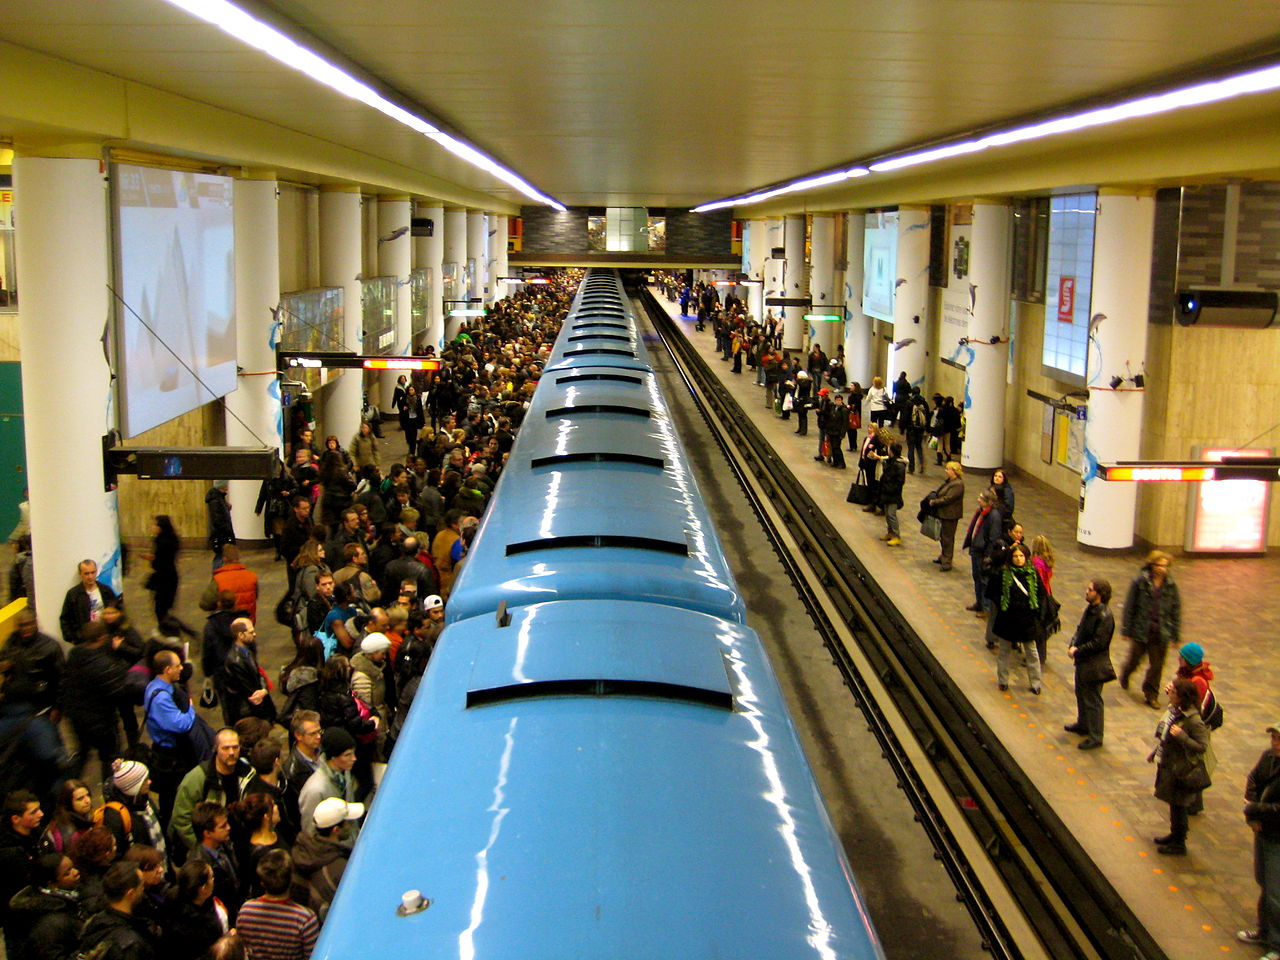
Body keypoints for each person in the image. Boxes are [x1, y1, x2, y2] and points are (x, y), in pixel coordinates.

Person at [1147, 677, 1211, 855]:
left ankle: (1179, 842)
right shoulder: (1176, 712)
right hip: (1171, 765)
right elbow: (1166, 736)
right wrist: (1155, 752)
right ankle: (1174, 834)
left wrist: (1183, 736)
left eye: (1173, 692)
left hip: (1182, 770)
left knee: (1179, 806)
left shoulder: (1193, 720)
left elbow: (1202, 747)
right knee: (1174, 804)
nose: (1170, 694)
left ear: (1182, 696)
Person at [61, 620, 129, 777]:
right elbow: (119, 691)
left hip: (77, 717)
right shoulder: (105, 665)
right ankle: (110, 793)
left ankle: (70, 786)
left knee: (82, 753)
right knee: (111, 758)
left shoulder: (75, 654)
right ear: (103, 637)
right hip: (101, 720)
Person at [171, 728, 254, 856]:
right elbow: (181, 819)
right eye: (225, 748)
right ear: (216, 748)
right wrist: (204, 848)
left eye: (235, 747)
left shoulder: (248, 773)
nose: (231, 752)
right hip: (212, 847)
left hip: (241, 843)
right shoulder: (197, 779)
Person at [1119, 550, 1182, 709]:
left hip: (1161, 632)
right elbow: (1130, 606)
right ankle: (1126, 672)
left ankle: (1151, 694)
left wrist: (1175, 634)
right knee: (1135, 659)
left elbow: (1175, 609)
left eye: (1165, 566)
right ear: (1152, 564)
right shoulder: (1140, 582)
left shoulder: (1171, 586)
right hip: (1141, 629)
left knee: (1157, 666)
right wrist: (1126, 629)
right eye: (1159, 565)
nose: (1162, 568)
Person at [143, 649, 200, 826]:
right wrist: (190, 708)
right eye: (177, 666)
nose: (181, 668)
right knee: (172, 798)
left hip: (171, 752)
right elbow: (181, 724)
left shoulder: (159, 688)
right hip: (169, 757)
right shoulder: (160, 697)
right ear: (167, 669)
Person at [986, 543, 1049, 694]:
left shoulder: (1032, 574)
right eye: (1015, 556)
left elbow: (1041, 595)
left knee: (1032, 653)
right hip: (1007, 620)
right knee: (1004, 652)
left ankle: (1035, 683)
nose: (1019, 559)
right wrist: (1003, 605)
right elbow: (992, 592)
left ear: (1026, 557)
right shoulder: (1003, 574)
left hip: (1027, 621)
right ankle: (1003, 681)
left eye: (1021, 556)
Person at [1241, 723, 1280, 959]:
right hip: (1263, 830)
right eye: (1274, 738)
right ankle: (1264, 930)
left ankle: (1277, 944)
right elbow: (1253, 779)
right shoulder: (1268, 757)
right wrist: (1253, 816)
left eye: (1278, 739)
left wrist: (1254, 808)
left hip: (1278, 836)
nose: (1274, 743)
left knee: (1276, 891)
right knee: (1263, 882)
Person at [236, 850, 319, 960]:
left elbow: (242, 950)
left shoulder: (246, 911)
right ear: (291, 880)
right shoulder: (305, 919)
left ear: (262, 883)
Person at [1064, 578, 1115, 750]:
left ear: (1099, 594)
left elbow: (1099, 643)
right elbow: (1080, 629)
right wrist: (1073, 644)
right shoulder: (1091, 609)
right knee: (1081, 693)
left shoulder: (1104, 616)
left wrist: (1077, 650)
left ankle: (1095, 736)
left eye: (1090, 589)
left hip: (1094, 665)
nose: (1087, 591)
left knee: (1093, 700)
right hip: (1083, 662)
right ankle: (1083, 724)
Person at [290, 798, 359, 922]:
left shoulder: (303, 850)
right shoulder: (342, 869)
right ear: (336, 830)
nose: (351, 824)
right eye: (348, 822)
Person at [7, 851, 85, 960]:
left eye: (73, 867)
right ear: (51, 884)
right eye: (67, 873)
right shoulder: (49, 922)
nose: (76, 872)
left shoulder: (67, 900)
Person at [75, 862, 157, 960]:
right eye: (141, 885)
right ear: (131, 893)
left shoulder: (95, 921)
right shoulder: (130, 945)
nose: (143, 889)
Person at [0, 789, 45, 955]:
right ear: (16, 819)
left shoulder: (36, 834)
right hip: (19, 924)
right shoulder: (9, 853)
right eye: (33, 812)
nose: (41, 814)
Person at [297, 728, 361, 838]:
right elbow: (310, 833)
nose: (354, 758)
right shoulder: (315, 790)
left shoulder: (345, 771)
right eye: (347, 755)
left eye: (353, 753)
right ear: (333, 757)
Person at [161, 861, 225, 960]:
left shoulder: (204, 901)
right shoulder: (193, 928)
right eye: (211, 877)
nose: (214, 880)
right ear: (203, 888)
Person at [191, 802, 241, 917]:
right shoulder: (198, 866)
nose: (229, 827)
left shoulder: (225, 845)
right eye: (223, 826)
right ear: (207, 833)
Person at [962, 490, 1004, 615]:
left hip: (982, 553)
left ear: (987, 501)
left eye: (981, 498)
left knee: (984, 580)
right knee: (977, 578)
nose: (978, 499)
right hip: (976, 549)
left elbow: (993, 538)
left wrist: (988, 555)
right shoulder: (981, 512)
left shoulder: (994, 516)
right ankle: (979, 602)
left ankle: (985, 607)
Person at [58, 558, 119, 644]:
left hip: (106, 639)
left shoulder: (106, 590)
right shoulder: (73, 594)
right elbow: (65, 619)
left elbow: (117, 611)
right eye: (86, 573)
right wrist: (73, 638)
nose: (90, 576)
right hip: (85, 641)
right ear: (80, 574)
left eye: (92, 572)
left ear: (96, 572)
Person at [199, 544, 259, 625]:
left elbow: (205, 604)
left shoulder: (219, 579)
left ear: (224, 559)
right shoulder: (252, 576)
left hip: (225, 623)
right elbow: (255, 596)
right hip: (247, 624)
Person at [926, 462, 964, 571]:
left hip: (950, 515)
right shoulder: (950, 482)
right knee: (943, 537)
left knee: (948, 538)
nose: (945, 471)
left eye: (948, 469)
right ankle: (943, 556)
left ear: (954, 471)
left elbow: (948, 498)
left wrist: (934, 502)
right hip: (944, 513)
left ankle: (947, 561)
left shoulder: (958, 484)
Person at [142, 515, 181, 624]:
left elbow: (161, 561)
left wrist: (153, 559)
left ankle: (170, 630)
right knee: (164, 610)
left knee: (161, 610)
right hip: (170, 577)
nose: (152, 527)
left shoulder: (162, 542)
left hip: (164, 579)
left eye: (155, 524)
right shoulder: (171, 539)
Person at [39, 780, 93, 857]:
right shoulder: (69, 832)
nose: (87, 801)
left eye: (87, 795)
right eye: (80, 799)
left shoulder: (81, 817)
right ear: (68, 803)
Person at [878, 441, 907, 546]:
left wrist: (891, 489)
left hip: (893, 494)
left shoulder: (899, 466)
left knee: (891, 514)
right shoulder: (890, 462)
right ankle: (890, 532)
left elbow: (900, 482)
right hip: (886, 491)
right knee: (887, 513)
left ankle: (896, 535)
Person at [206, 479, 236, 570]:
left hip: (221, 534)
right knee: (219, 557)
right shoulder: (215, 500)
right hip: (220, 535)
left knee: (221, 556)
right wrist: (227, 531)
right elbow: (218, 519)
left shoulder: (219, 498)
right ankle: (217, 576)